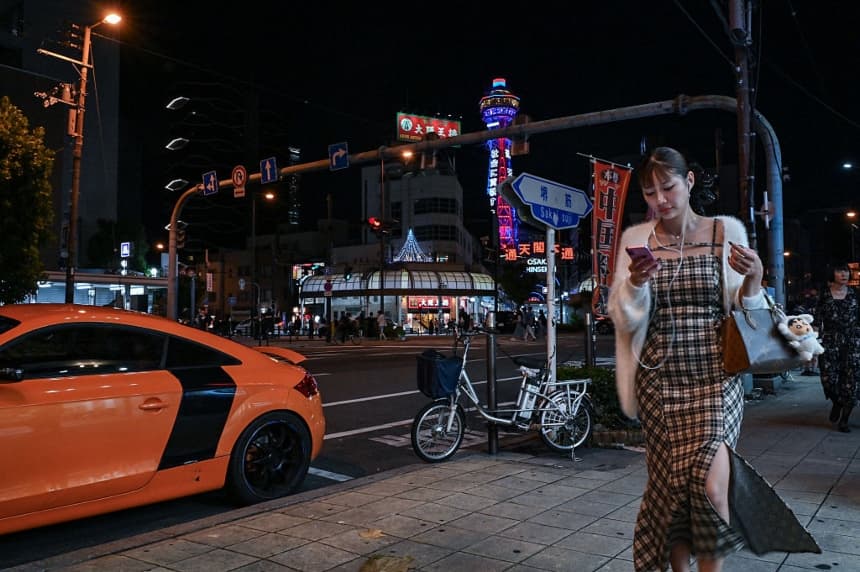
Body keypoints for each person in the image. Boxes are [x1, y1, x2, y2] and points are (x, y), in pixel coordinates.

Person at [607, 147, 818, 572]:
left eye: (667, 187)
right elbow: (623, 315)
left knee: (711, 486)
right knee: (672, 488)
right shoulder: (636, 240)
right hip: (659, 380)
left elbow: (748, 308)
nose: (660, 199)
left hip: (714, 378)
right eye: (650, 193)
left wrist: (756, 278)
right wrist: (634, 285)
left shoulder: (726, 231)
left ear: (688, 182)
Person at [814, 262, 860, 432]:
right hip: (830, 340)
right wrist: (812, 343)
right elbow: (817, 321)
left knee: (851, 382)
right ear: (832, 274)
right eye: (840, 271)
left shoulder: (855, 294)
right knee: (828, 379)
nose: (844, 274)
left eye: (846, 271)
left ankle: (845, 420)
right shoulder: (824, 295)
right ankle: (837, 402)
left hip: (853, 341)